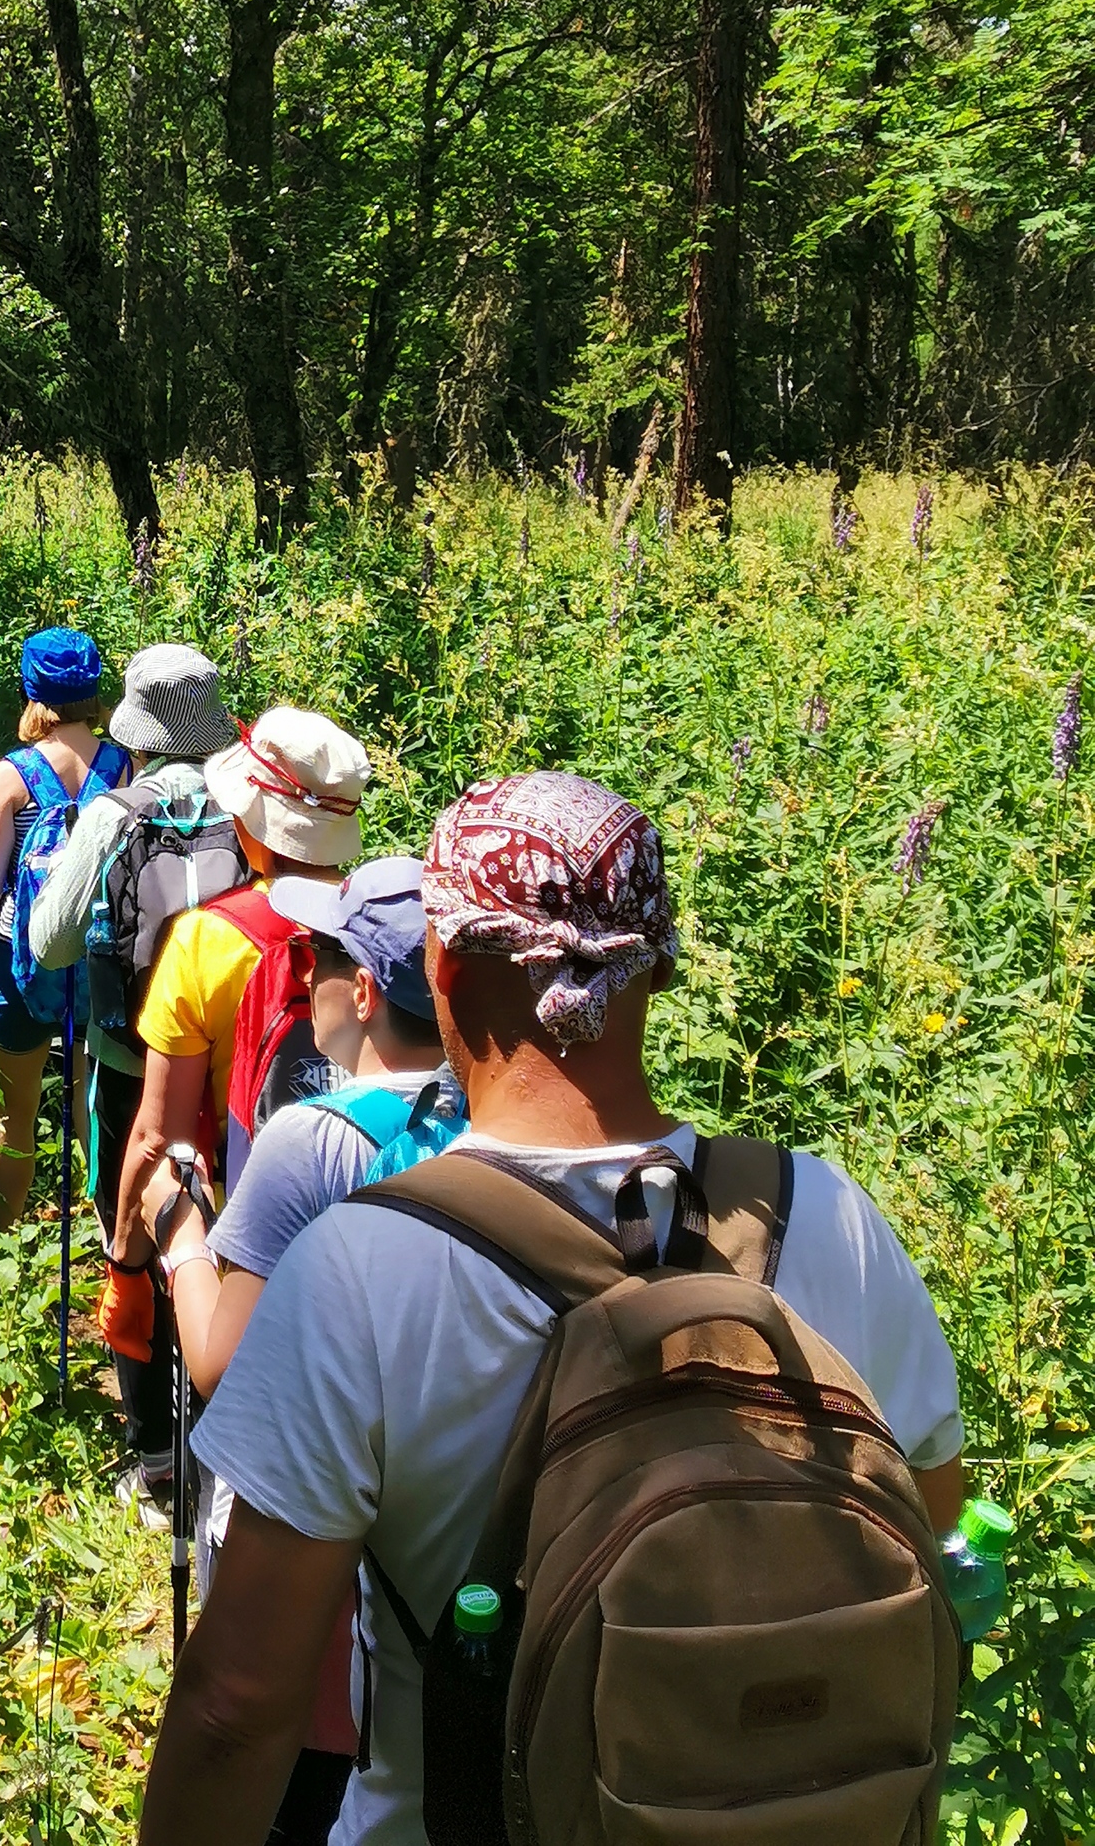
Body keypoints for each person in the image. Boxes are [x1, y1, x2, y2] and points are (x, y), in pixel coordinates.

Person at [140, 771, 967, 1846]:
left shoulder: (360, 1267)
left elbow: (237, 1704)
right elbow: (928, 1511)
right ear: (655, 967)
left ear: (438, 967)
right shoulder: (825, 1214)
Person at [135, 857, 462, 1846]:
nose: (301, 972)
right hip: (445, 1549)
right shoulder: (485, 1125)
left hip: (313, 1565)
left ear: (356, 992)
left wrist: (180, 1237)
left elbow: (219, 1364)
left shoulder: (309, 1141)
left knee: (299, 1797)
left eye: (314, 956)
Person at [26, 643, 240, 1521]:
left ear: (137, 729)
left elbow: (50, 943)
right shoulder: (250, 806)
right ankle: (225, 1450)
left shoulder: (114, 813)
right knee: (228, 1248)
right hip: (233, 1075)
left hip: (127, 1072)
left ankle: (156, 1464)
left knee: (139, 1247)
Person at [107, 705, 372, 1276]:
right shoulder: (386, 926)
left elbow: (160, 1139)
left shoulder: (205, 940)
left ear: (252, 826)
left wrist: (125, 1266)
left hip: (244, 1242)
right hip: (368, 1233)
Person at [0, 628, 127, 1226]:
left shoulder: (13, 774)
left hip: (18, 961)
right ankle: (118, 1250)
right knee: (99, 1112)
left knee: (13, 1119)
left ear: (33, 693)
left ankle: (1, 1253)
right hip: (103, 962)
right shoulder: (125, 766)